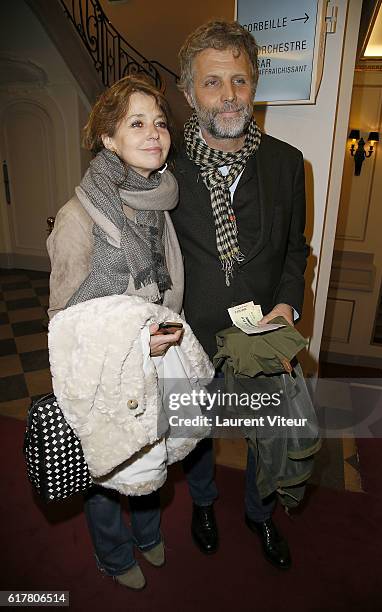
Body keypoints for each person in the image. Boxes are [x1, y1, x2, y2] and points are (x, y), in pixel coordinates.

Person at [171, 21, 309, 569]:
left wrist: (286, 307)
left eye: (240, 80)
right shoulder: (163, 167)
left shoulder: (286, 162)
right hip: (190, 339)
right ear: (188, 93)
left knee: (267, 436)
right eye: (212, 82)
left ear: (254, 86)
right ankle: (203, 502)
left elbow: (296, 250)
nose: (228, 95)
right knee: (197, 435)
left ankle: (259, 511)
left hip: (261, 335)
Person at [47, 76, 185, 590]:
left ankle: (148, 534)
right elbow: (62, 324)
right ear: (108, 138)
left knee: (152, 452)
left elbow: (168, 289)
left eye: (160, 122)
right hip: (104, 373)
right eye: (136, 123)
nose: (154, 133)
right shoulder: (78, 216)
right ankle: (111, 552)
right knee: (105, 470)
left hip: (155, 365)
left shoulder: (159, 206)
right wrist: (132, 342)